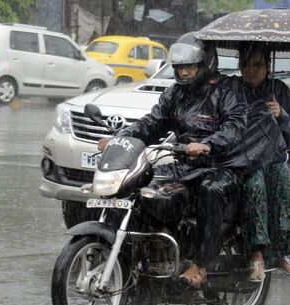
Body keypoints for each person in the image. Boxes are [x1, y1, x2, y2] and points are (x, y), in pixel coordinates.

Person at [97, 32, 247, 288]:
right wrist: (120, 138)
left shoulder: (227, 90)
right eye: (180, 68)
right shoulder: (175, 94)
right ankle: (141, 255)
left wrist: (207, 144)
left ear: (205, 64)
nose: (184, 73)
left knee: (211, 190)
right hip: (184, 165)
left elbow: (234, 127)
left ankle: (200, 264)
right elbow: (152, 123)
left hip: (222, 166)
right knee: (142, 183)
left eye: (189, 66)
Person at [236, 43, 290, 281]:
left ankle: (279, 252)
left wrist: (281, 116)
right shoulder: (233, 91)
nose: (251, 70)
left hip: (274, 162)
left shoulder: (280, 92)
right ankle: (256, 254)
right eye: (246, 65)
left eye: (257, 65)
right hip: (246, 162)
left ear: (267, 66)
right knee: (256, 189)